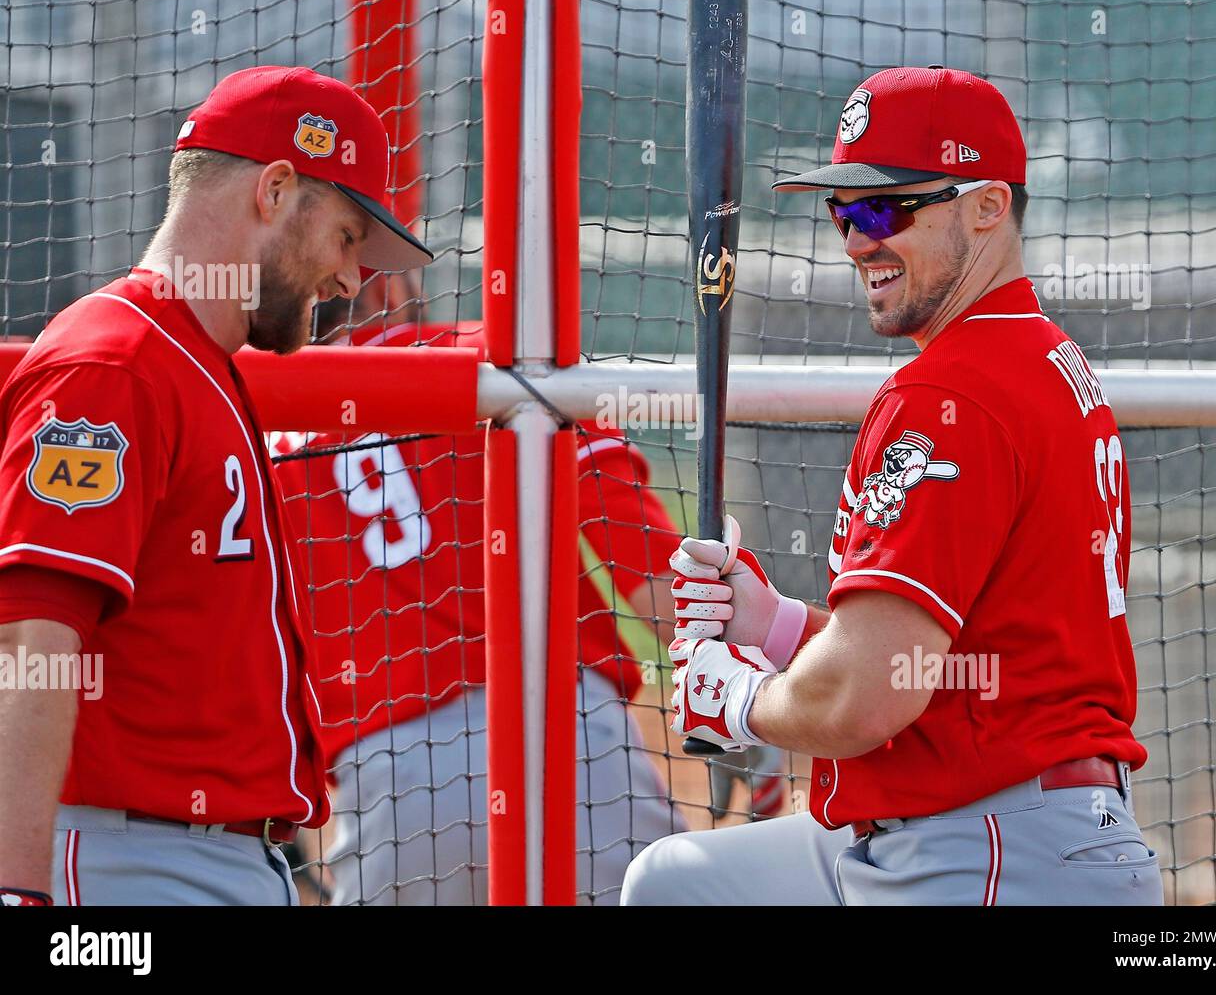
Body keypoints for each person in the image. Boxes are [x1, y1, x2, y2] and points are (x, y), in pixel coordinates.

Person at [621, 66, 1163, 907]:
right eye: (843, 213)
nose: (855, 240)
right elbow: (951, 664)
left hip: (988, 849)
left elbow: (866, 696)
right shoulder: (1042, 357)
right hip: (1010, 827)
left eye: (885, 207)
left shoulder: (950, 393)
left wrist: (740, 700)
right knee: (676, 882)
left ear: (988, 205)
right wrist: (775, 625)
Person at [0, 65, 433, 906]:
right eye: (347, 237)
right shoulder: (113, 363)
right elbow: (32, 641)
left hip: (206, 860)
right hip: (131, 864)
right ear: (276, 189)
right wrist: (17, 891)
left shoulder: (197, 364)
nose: (351, 281)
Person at [271, 285, 689, 904]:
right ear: (390, 286)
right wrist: (757, 701)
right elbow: (658, 581)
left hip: (394, 787)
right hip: (570, 752)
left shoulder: (262, 420)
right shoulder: (503, 363)